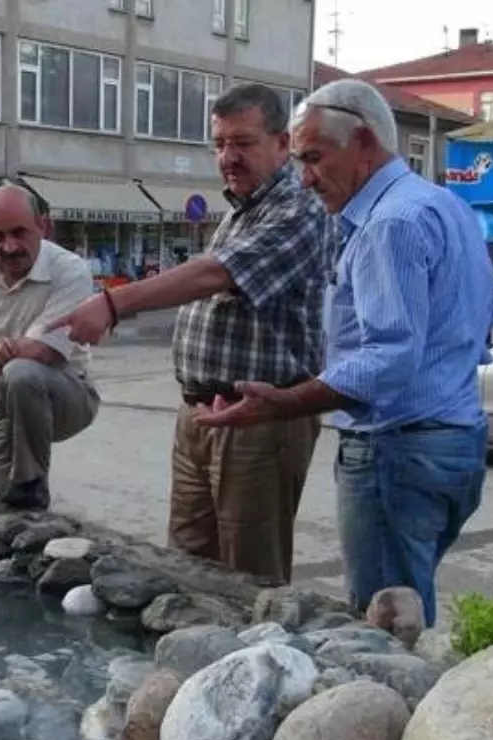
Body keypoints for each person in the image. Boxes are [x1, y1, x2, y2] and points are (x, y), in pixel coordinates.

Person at [194, 79, 493, 626]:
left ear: (363, 142)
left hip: (397, 448)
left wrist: (287, 402)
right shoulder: (444, 205)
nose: (305, 178)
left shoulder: (389, 224)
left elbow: (390, 355)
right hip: (454, 442)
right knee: (407, 604)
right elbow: (489, 305)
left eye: (314, 158)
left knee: (383, 625)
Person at [47, 83, 330, 584]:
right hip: (201, 412)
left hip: (258, 418)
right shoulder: (243, 209)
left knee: (248, 579)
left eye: (243, 142)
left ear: (282, 143)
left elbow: (214, 274)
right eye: (220, 144)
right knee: (186, 569)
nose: (228, 157)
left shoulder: (299, 209)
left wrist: (113, 303)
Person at [0, 184, 99, 509]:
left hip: (67, 395)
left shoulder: (69, 270)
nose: (9, 247)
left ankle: (32, 482)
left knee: (22, 371)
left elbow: (44, 350)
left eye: (19, 233)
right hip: (1, 401)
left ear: (43, 225)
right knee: (6, 499)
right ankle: (27, 512)